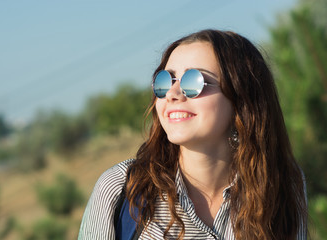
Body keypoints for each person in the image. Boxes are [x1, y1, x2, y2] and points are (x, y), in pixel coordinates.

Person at [78, 29, 308, 240]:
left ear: (241, 98)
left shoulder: (282, 185)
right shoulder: (121, 188)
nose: (172, 93)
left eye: (194, 81)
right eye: (164, 81)